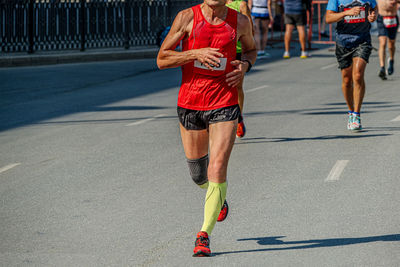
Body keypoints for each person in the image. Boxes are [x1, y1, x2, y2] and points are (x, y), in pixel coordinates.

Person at [157, 0, 256, 257]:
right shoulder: (187, 18)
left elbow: (251, 50)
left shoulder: (240, 22)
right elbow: (162, 58)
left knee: (217, 167)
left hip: (224, 101)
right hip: (190, 104)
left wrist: (244, 66)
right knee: (199, 175)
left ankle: (203, 234)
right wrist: (194, 53)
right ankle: (217, 197)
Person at [326, 0, 377, 131]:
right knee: (347, 80)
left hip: (362, 40)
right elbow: (328, 18)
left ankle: (356, 114)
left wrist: (373, 15)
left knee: (358, 74)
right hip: (343, 42)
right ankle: (350, 111)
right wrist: (347, 12)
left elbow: (374, 8)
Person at [227, 0, 254, 138]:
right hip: (221, 50)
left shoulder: (241, 4)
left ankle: (238, 117)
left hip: (237, 51)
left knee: (237, 86)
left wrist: (247, 50)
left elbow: (250, 30)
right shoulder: (215, 4)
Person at [377, 0, 399, 80]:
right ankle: (382, 67)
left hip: (393, 18)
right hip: (381, 18)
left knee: (391, 44)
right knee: (383, 43)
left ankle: (391, 60)